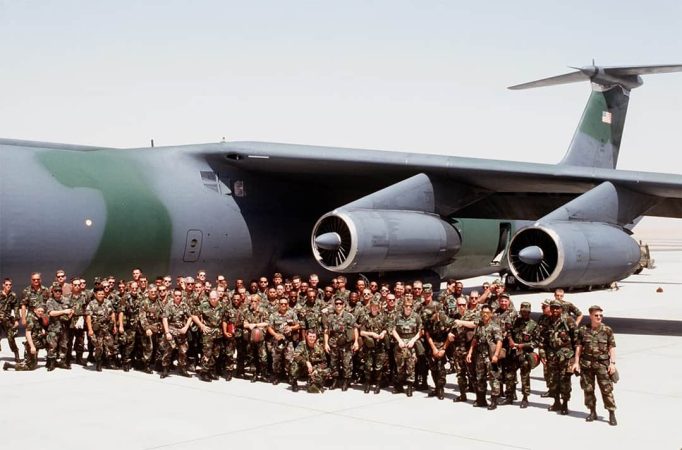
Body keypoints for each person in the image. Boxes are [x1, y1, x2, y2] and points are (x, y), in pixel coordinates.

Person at [572, 305, 618, 426]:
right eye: (596, 315)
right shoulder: (583, 330)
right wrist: (576, 363)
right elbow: (579, 348)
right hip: (587, 364)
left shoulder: (607, 330)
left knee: (606, 389)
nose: (599, 317)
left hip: (602, 364)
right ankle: (592, 412)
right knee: (588, 389)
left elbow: (611, 347)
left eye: (601, 315)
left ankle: (611, 413)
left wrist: (612, 364)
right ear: (591, 316)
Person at [542, 300, 577, 415]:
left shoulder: (568, 320)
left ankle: (565, 404)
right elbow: (542, 340)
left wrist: (575, 359)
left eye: (557, 308)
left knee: (565, 380)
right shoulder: (547, 321)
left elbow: (577, 340)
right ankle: (556, 402)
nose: (555, 310)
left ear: (561, 309)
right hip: (552, 356)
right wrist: (543, 354)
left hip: (566, 356)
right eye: (553, 308)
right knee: (553, 380)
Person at [467, 304, 503, 410]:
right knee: (480, 378)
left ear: (491, 314)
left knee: (493, 378)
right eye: (483, 312)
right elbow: (475, 339)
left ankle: (494, 401)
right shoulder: (480, 325)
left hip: (491, 356)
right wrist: (470, 352)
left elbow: (499, 341)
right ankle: (481, 400)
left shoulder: (495, 326)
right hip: (480, 356)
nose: (485, 314)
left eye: (487, 312)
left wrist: (496, 355)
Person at [323, 297, 358, 391]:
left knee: (347, 363)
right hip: (334, 343)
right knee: (334, 363)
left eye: (340, 303)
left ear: (344, 305)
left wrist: (356, 342)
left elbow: (355, 329)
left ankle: (346, 381)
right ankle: (335, 381)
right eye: (337, 303)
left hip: (346, 343)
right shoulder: (330, 316)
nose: (338, 305)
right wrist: (326, 343)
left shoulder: (349, 316)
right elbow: (326, 331)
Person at [509, 302, 538, 408]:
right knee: (510, 375)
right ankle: (511, 395)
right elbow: (509, 332)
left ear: (529, 312)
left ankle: (525, 397)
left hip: (525, 354)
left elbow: (537, 342)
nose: (524, 313)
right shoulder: (515, 322)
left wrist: (523, 345)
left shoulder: (533, 325)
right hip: (514, 353)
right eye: (522, 311)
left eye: (526, 312)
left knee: (525, 376)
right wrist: (511, 340)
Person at [358, 298, 390, 394]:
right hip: (369, 346)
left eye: (376, 307)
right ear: (370, 307)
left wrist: (383, 333)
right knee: (368, 366)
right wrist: (372, 334)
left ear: (379, 307)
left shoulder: (383, 317)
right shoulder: (366, 317)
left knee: (378, 366)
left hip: (380, 346)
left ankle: (377, 384)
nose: (374, 308)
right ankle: (367, 384)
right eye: (373, 307)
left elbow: (386, 328)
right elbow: (362, 332)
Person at [391, 297, 422, 396]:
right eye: (406, 306)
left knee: (410, 365)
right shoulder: (397, 316)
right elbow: (393, 330)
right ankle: (399, 385)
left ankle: (409, 386)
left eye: (410, 306)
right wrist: (399, 340)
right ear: (403, 306)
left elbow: (421, 331)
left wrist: (413, 340)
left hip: (411, 343)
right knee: (400, 366)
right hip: (400, 343)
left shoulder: (416, 316)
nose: (408, 308)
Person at [160, 289, 193, 378]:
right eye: (176, 295)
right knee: (168, 351)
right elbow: (165, 319)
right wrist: (167, 332)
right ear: (173, 296)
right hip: (171, 330)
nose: (178, 297)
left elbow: (190, 317)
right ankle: (165, 369)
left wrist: (186, 328)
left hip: (181, 331)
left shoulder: (184, 305)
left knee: (183, 351)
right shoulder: (169, 305)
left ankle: (182, 369)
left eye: (179, 296)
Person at [85, 287, 117, 371]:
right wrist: (90, 329)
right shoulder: (91, 304)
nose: (101, 295)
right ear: (95, 294)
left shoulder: (108, 302)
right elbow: (88, 317)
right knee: (99, 347)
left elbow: (112, 313)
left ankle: (109, 362)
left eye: (102, 294)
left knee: (110, 345)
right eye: (99, 294)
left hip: (107, 328)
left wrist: (114, 326)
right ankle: (98, 363)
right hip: (97, 329)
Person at [292, 329, 330, 393]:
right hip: (304, 366)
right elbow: (295, 355)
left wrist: (317, 370)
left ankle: (316, 382)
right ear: (306, 336)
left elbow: (324, 362)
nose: (312, 338)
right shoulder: (302, 344)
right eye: (310, 336)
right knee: (294, 365)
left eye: (313, 337)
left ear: (316, 337)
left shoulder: (319, 346)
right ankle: (294, 382)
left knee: (326, 371)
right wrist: (306, 362)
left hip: (314, 367)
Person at [0, 278, 20, 363]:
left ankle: (16, 354)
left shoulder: (13, 295)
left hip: (7, 319)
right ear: (3, 285)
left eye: (10, 285)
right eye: (6, 284)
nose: (8, 286)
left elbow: (16, 308)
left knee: (11, 337)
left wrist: (16, 320)